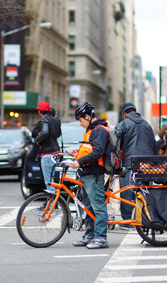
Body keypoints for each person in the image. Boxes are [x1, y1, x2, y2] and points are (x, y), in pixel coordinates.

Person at [69, 102, 109, 249]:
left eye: (80, 120)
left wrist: (79, 161)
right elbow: (89, 150)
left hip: (94, 174)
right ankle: (90, 234)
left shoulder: (100, 130)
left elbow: (98, 152)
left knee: (98, 206)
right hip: (86, 174)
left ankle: (101, 238)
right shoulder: (91, 131)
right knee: (88, 207)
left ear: (87, 116)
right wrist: (76, 154)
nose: (80, 124)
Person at [115, 103, 157, 229]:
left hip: (130, 164)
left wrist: (117, 163)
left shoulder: (123, 124)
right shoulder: (147, 124)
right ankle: (145, 218)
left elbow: (115, 144)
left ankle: (127, 220)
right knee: (145, 191)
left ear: (124, 114)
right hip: (147, 164)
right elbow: (154, 145)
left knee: (129, 191)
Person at [34, 101, 62, 191]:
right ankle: (53, 203)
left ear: (39, 111)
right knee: (52, 181)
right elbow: (58, 134)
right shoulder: (55, 120)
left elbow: (45, 132)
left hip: (48, 154)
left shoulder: (43, 120)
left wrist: (36, 140)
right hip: (56, 153)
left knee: (49, 183)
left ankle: (51, 204)